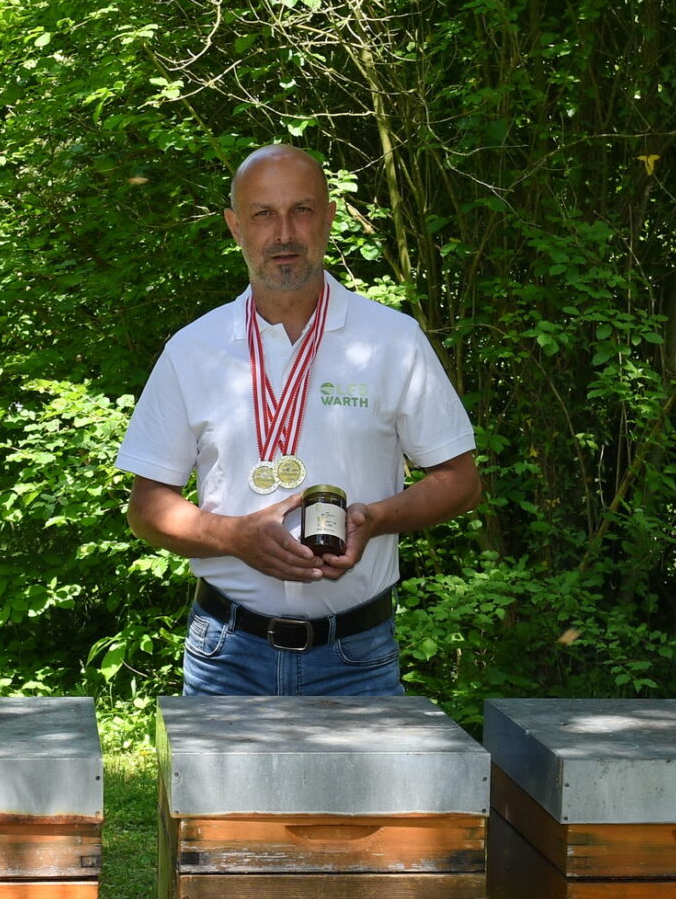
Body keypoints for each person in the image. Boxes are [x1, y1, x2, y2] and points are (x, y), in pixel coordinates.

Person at [116, 144, 480, 694]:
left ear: (329, 217)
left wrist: (374, 519)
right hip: (227, 657)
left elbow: (461, 482)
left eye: (301, 210)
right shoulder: (193, 349)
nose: (283, 232)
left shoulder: (392, 340)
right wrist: (232, 536)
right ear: (235, 226)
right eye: (263, 213)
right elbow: (146, 509)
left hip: (357, 657)